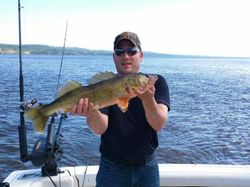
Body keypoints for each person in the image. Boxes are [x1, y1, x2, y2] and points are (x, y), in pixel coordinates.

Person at [70, 31, 170, 187]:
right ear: (114, 57)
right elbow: (100, 128)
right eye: (120, 52)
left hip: (147, 168)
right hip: (112, 168)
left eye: (131, 51)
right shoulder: (106, 85)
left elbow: (159, 124)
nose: (126, 56)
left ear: (141, 55)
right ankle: (44, 112)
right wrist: (91, 111)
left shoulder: (157, 83)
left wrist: (148, 99)